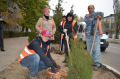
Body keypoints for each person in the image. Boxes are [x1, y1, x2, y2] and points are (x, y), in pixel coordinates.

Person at [84, 5, 103, 71]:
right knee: (89, 49)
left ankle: (97, 64)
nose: (90, 9)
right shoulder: (86, 16)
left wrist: (96, 16)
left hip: (96, 35)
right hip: (88, 35)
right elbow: (88, 21)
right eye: (89, 8)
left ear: (94, 8)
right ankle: (91, 62)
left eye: (91, 8)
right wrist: (94, 17)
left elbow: (101, 14)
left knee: (96, 49)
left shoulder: (98, 14)